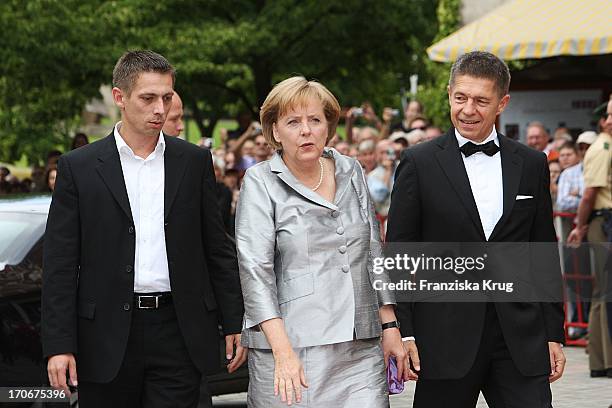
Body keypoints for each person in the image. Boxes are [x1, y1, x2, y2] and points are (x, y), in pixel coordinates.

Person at [42, 50, 246, 408]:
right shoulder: (79, 167)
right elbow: (60, 262)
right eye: (148, 98)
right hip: (103, 333)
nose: (159, 109)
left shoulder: (194, 161)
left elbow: (216, 248)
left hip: (179, 329)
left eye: (166, 98)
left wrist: (234, 321)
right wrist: (59, 345)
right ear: (120, 97)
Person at [387, 51, 565, 407]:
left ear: (502, 103)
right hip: (443, 338)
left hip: (519, 337)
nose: (468, 110)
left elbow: (541, 251)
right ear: (450, 94)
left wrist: (552, 333)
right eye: (460, 98)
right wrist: (403, 332)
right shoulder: (418, 162)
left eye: (481, 101)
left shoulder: (531, 163)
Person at [236, 76, 405, 407]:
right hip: (292, 345)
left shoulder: (351, 169)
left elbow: (373, 249)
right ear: (274, 131)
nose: (306, 130)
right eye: (293, 122)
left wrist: (391, 326)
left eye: (315, 120)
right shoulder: (260, 181)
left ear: (328, 126)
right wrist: (283, 352)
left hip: (360, 346)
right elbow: (255, 270)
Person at [567, 98, 612, 378]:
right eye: (608, 114)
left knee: (604, 293)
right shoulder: (602, 148)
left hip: (603, 220)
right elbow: (589, 193)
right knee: (606, 293)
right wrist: (580, 226)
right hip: (603, 221)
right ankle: (604, 360)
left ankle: (601, 360)